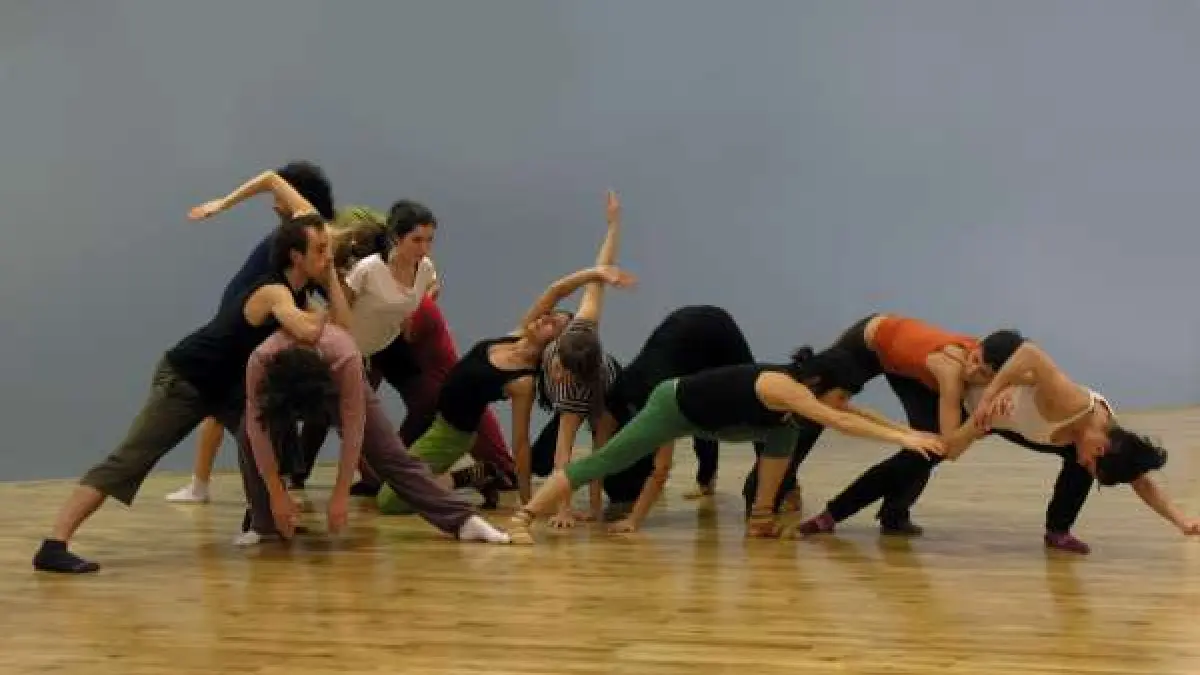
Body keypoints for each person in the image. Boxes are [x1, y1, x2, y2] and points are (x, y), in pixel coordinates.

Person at [32, 200, 346, 573]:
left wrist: (331, 281)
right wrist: (328, 299)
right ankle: (54, 545)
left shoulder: (299, 296)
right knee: (131, 459)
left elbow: (342, 329)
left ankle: (263, 520)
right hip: (187, 379)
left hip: (227, 388)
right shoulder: (272, 291)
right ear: (296, 256)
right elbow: (308, 331)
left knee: (266, 433)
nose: (328, 257)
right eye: (320, 250)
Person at [506, 347, 947, 544]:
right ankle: (523, 518)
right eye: (842, 392)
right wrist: (903, 438)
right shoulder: (784, 387)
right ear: (817, 382)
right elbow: (838, 420)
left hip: (729, 423)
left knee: (785, 432)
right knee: (606, 461)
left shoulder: (802, 394)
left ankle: (760, 521)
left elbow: (849, 412)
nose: (845, 400)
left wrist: (905, 432)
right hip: (674, 407)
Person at [375, 263, 638, 515]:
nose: (545, 318)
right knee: (389, 477)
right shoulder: (519, 334)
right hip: (433, 416)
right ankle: (480, 475)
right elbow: (556, 290)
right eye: (549, 315)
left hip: (451, 433)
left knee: (390, 500)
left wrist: (527, 503)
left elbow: (521, 444)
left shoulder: (522, 382)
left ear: (555, 345)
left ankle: (466, 477)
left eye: (553, 324)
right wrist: (596, 273)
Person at [236, 323, 511, 545]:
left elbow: (353, 430)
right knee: (247, 438)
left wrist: (340, 494)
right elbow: (258, 429)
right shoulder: (260, 361)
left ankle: (463, 521)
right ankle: (264, 526)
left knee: (391, 455)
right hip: (282, 391)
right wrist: (277, 494)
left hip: (339, 382)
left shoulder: (344, 355)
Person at [936, 330, 1198, 553]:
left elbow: (1140, 481)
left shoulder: (1111, 438)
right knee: (932, 453)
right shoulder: (1071, 403)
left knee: (1078, 465)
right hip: (962, 396)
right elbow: (1030, 352)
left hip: (1006, 421)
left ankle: (1057, 531)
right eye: (1092, 463)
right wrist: (989, 397)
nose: (1086, 463)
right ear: (1100, 448)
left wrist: (1182, 522)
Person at [166, 161, 336, 502]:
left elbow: (270, 179)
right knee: (228, 396)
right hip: (245, 309)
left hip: (256, 314)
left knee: (241, 397)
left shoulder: (310, 226)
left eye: (281, 197)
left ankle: (231, 486)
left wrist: (221, 204)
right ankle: (208, 485)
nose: (274, 203)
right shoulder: (303, 233)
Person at [336, 201, 514, 501]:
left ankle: (468, 476)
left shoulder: (425, 268)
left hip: (385, 354)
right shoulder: (368, 270)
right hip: (348, 354)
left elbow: (430, 285)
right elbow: (338, 313)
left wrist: (410, 311)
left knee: (375, 441)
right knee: (347, 423)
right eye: (417, 240)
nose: (424, 248)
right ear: (396, 238)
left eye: (429, 240)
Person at [748, 313, 984, 535]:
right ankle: (763, 495)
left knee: (926, 444)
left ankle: (894, 514)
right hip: (868, 342)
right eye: (976, 363)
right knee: (810, 414)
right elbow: (950, 444)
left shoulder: (972, 368)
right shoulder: (951, 368)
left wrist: (914, 435)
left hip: (899, 361)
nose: (975, 369)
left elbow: (944, 444)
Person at [600, 304, 804, 527]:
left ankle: (789, 488)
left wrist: (634, 518)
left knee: (761, 410)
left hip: (717, 331)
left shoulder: (652, 404)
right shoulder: (619, 396)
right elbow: (603, 449)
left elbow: (661, 467)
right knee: (698, 413)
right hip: (685, 331)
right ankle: (706, 482)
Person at [532, 190, 626, 527]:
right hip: (589, 379)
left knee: (604, 446)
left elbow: (579, 454)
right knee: (547, 455)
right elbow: (600, 273)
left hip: (609, 389)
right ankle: (586, 504)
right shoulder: (582, 324)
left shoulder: (579, 388)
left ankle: (600, 503)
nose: (556, 370)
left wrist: (585, 509)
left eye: (561, 369)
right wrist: (613, 224)